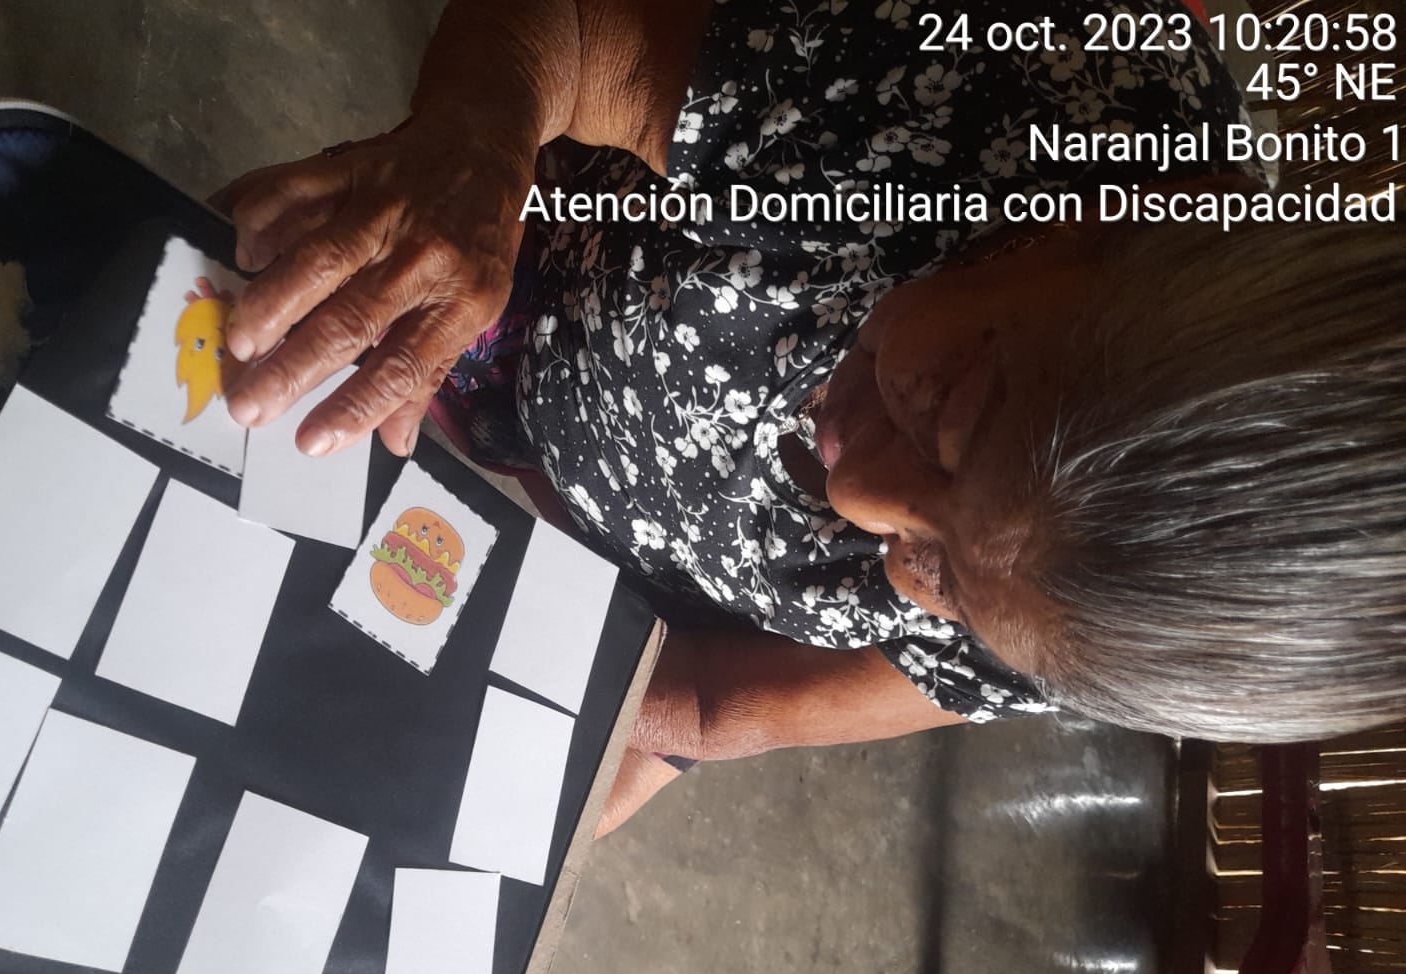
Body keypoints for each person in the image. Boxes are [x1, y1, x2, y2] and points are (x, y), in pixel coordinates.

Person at [216, 0, 1406, 833]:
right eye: (954, 410)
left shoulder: (1078, 610)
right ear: (1109, 227)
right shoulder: (1006, 81)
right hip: (510, 262)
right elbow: (574, 33)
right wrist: (473, 156)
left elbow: (714, 704)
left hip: (583, 516)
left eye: (941, 580)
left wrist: (536, 745)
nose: (854, 496)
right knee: (217, 345)